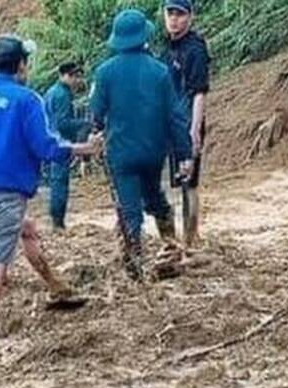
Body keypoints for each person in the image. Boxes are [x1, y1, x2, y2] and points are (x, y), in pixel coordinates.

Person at [0, 34, 100, 352]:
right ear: (21, 65)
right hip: (7, 194)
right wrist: (84, 148)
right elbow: (46, 147)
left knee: (27, 230)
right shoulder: (27, 100)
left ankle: (56, 286)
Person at [90, 9, 193, 280]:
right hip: (152, 152)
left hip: (121, 154)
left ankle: (134, 266)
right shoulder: (159, 71)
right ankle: (171, 246)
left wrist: (97, 132)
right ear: (144, 37)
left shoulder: (104, 72)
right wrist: (184, 153)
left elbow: (96, 114)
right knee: (154, 196)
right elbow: (175, 116)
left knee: (129, 209)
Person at [162, 0, 211, 249]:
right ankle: (186, 237)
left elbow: (199, 92)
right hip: (171, 125)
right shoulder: (167, 47)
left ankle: (189, 242)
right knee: (179, 183)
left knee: (189, 185)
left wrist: (194, 129)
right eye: (170, 13)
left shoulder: (195, 49)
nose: (174, 19)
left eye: (179, 14)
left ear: (190, 16)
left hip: (187, 125)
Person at [43, 62, 89, 230]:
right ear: (64, 76)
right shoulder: (62, 94)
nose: (78, 80)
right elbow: (63, 123)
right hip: (60, 142)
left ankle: (57, 220)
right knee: (59, 183)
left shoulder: (51, 92)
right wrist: (84, 124)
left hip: (50, 141)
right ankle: (58, 222)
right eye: (75, 76)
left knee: (56, 182)